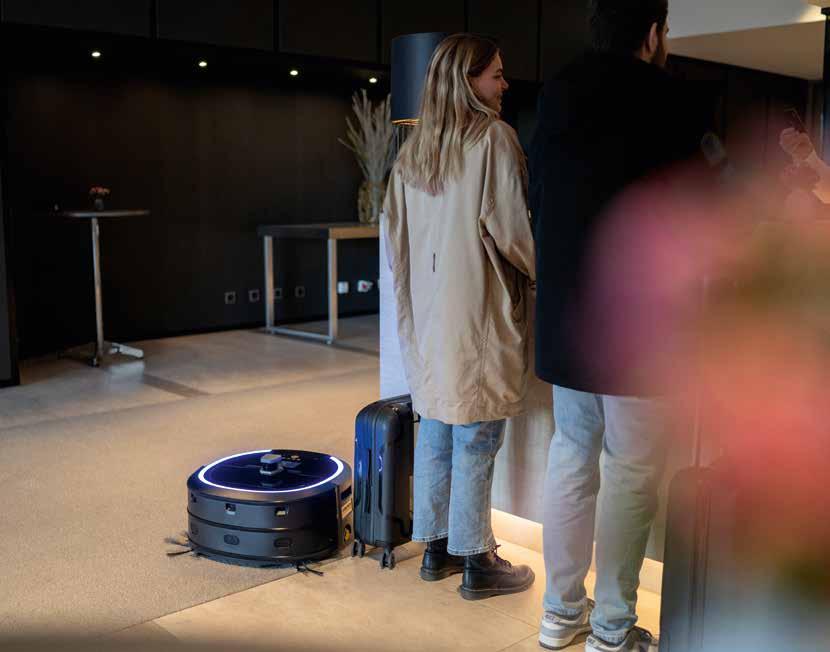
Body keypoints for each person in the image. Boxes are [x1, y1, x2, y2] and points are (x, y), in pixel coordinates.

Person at [529, 1, 706, 650]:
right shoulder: (670, 99)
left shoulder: (557, 92)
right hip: (639, 326)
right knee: (629, 471)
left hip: (567, 315)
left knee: (571, 456)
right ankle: (610, 630)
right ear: (654, 34)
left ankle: (559, 617)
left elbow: (537, 196)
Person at [383, 33, 536, 600]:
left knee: (438, 429)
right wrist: (544, 273)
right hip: (478, 310)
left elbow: (395, 241)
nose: (504, 83)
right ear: (467, 82)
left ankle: (437, 550)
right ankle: (478, 559)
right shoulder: (493, 139)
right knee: (476, 436)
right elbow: (513, 231)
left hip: (429, 316)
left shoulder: (413, 152)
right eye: (495, 74)